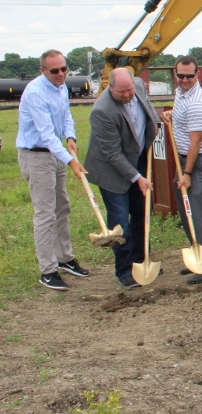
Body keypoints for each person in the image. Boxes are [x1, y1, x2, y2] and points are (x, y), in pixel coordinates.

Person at [17, 49, 90, 291]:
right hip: (36, 156)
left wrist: (70, 136)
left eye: (64, 69)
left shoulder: (62, 87)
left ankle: (65, 258)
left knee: (62, 206)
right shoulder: (36, 93)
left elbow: (66, 116)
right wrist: (71, 162)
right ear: (43, 71)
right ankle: (47, 271)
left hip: (56, 154)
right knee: (45, 213)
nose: (61, 74)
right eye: (55, 71)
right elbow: (47, 135)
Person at [84, 67, 158, 289]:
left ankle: (140, 261)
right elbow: (113, 155)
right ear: (110, 87)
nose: (127, 95)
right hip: (111, 171)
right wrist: (137, 178)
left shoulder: (136, 86)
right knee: (120, 223)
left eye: (130, 91)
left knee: (141, 215)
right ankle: (124, 271)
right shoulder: (102, 111)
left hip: (137, 161)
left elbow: (148, 112)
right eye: (122, 92)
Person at [164, 55, 202, 284]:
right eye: (180, 75)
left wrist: (187, 174)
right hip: (185, 159)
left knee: (196, 211)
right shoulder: (181, 93)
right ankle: (198, 255)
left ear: (197, 75)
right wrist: (171, 116)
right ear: (175, 74)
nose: (185, 80)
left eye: (189, 76)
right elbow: (182, 118)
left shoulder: (197, 101)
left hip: (199, 161)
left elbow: (196, 142)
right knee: (185, 210)